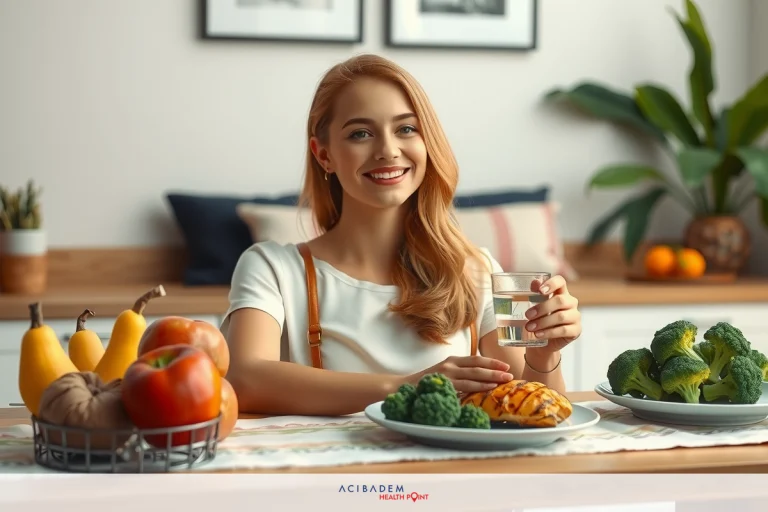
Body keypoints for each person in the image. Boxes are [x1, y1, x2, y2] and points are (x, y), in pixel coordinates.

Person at [221, 54, 582, 417]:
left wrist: (545, 352)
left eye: (406, 129)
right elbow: (246, 378)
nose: (387, 151)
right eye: (360, 133)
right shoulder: (270, 267)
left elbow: (538, 411)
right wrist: (404, 386)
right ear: (324, 154)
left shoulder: (484, 268)